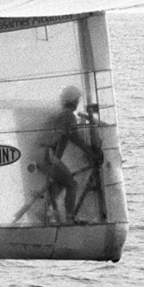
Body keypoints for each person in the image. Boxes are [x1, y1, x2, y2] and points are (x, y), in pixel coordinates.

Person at [40, 85, 101, 224]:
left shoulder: (63, 114)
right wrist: (92, 153)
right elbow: (76, 139)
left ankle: (43, 211)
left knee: (61, 183)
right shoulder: (69, 116)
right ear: (75, 101)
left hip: (42, 153)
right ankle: (69, 219)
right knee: (71, 184)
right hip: (48, 155)